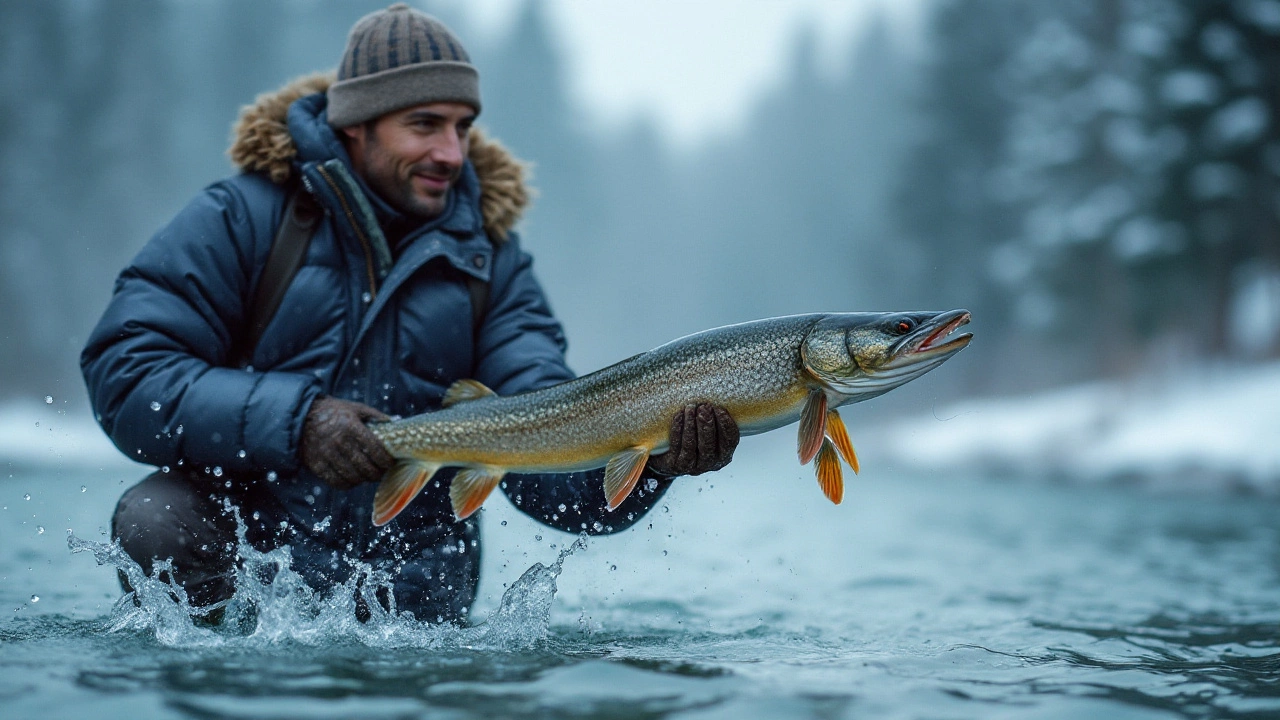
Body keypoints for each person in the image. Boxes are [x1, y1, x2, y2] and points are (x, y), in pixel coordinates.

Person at [81, 3, 738, 624]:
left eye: (462, 127)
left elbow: (552, 452)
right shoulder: (240, 219)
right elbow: (128, 374)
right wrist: (298, 419)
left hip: (415, 593)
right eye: (425, 124)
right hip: (254, 559)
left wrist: (653, 457)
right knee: (154, 515)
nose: (451, 152)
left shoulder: (494, 264)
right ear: (355, 128)